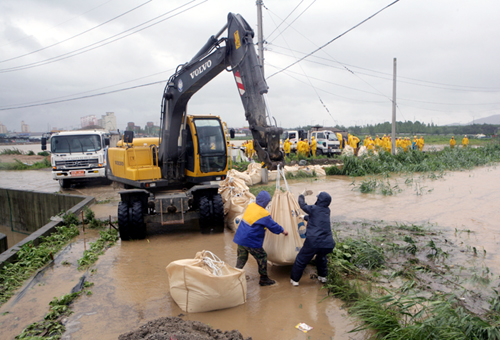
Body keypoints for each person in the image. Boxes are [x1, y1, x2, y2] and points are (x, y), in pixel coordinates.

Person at [233, 191, 288, 286]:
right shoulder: (264, 213)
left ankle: (235, 277)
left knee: (242, 258)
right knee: (262, 256)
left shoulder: (251, 206)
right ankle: (264, 279)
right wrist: (283, 231)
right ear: (266, 202)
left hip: (240, 238)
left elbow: (255, 221)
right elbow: (273, 226)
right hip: (251, 241)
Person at [290, 191, 335, 286]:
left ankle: (295, 280)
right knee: (321, 258)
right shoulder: (327, 211)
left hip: (313, 242)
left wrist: (302, 195)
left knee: (301, 259)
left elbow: (302, 205)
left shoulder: (314, 208)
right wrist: (305, 217)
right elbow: (317, 218)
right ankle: (323, 277)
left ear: (319, 200)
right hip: (327, 243)